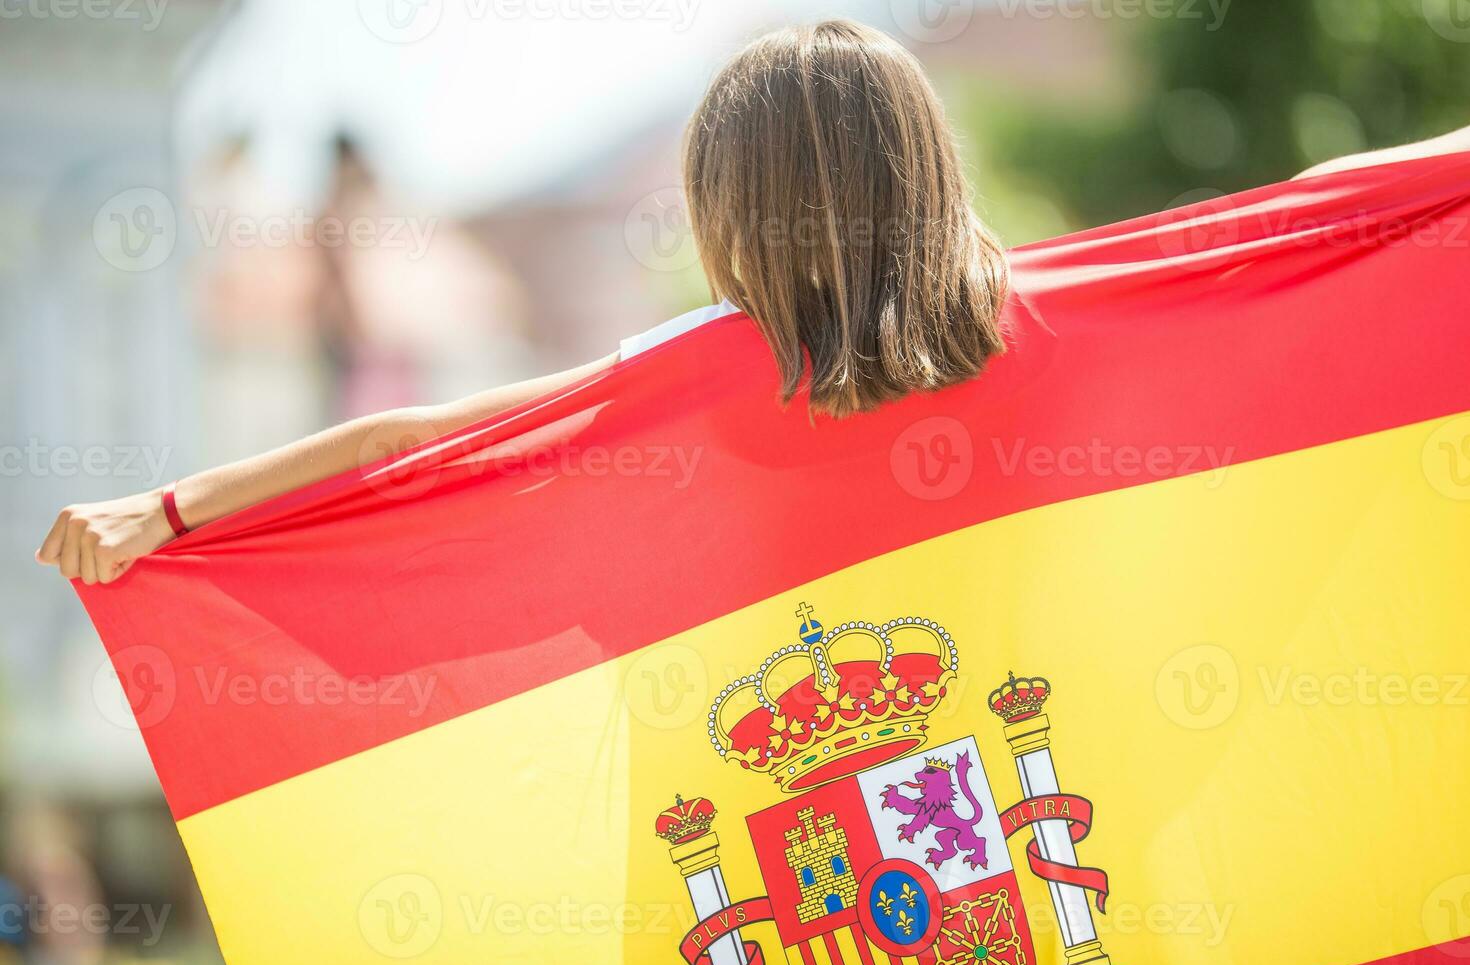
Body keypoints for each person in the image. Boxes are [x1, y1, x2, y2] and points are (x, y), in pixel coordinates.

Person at [33, 20, 1470, 587]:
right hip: (1046, 814)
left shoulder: (689, 377)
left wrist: (165, 511)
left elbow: (407, 439)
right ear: (929, 173)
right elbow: (1309, 211)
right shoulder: (1048, 319)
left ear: (722, 214)